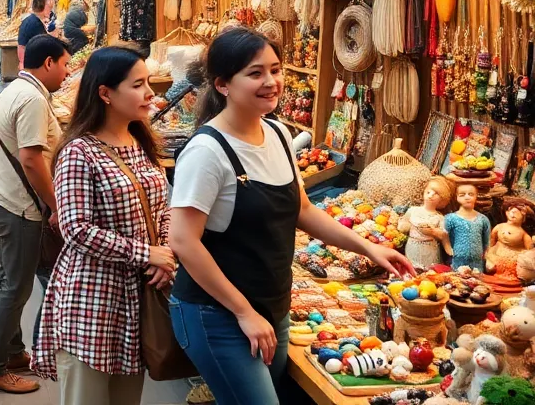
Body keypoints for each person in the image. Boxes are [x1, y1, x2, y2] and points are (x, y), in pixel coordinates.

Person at [169, 28, 413, 405]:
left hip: (273, 305)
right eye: (255, 73)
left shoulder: (279, 134)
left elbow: (302, 210)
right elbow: (183, 240)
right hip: (216, 313)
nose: (271, 82)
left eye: (276, 69)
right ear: (222, 84)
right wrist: (244, 312)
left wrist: (370, 248)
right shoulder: (206, 151)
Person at [31, 47, 173, 404]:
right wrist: (146, 254)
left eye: (148, 83)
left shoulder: (141, 143)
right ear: (105, 93)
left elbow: (163, 207)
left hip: (135, 299)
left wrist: (167, 252)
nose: (150, 93)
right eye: (138, 84)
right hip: (92, 299)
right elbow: (76, 228)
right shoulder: (79, 152)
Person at [0, 34, 71, 395]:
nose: (66, 72)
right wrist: (54, 204)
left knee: (11, 280)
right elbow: (31, 159)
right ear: (47, 63)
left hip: (2, 196)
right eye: (63, 64)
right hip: (18, 203)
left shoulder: (17, 89)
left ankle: (14, 352)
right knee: (16, 287)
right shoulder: (32, 99)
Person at [17, 0, 52, 68]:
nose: (51, 9)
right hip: (31, 65)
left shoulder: (29, 20)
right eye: (49, 6)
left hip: (26, 62)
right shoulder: (35, 24)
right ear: (42, 6)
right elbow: (43, 45)